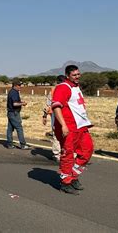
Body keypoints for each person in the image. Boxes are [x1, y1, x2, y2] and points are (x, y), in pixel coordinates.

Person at [52, 65, 93, 195]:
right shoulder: (63, 87)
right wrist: (63, 125)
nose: (77, 77)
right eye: (74, 75)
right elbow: (56, 107)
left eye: (78, 74)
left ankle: (73, 175)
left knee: (87, 150)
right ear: (67, 75)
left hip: (81, 126)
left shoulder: (75, 87)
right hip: (69, 127)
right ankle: (65, 182)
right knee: (68, 154)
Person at [42, 75, 66, 161]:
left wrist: (44, 116)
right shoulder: (69, 89)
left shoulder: (53, 90)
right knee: (65, 133)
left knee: (56, 133)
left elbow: (47, 105)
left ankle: (57, 154)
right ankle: (65, 153)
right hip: (65, 115)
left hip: (55, 115)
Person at [5, 78, 30, 149]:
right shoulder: (14, 92)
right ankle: (23, 144)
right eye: (19, 85)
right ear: (15, 85)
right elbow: (15, 104)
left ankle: (10, 144)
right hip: (14, 113)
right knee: (19, 128)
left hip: (10, 112)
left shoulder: (11, 92)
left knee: (10, 129)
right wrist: (23, 103)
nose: (20, 86)